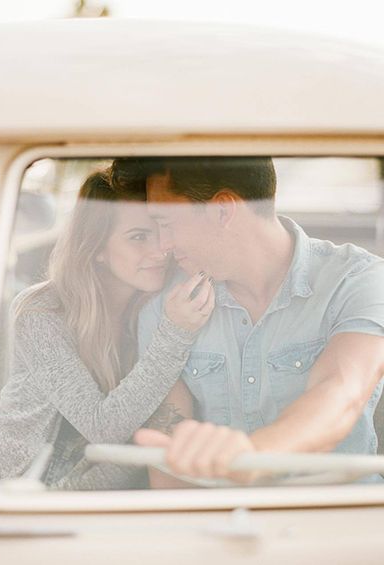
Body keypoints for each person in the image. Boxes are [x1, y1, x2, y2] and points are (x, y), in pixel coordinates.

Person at [110, 157, 384, 482]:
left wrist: (250, 457)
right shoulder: (167, 310)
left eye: (167, 224)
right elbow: (168, 456)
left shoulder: (360, 280)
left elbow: (340, 393)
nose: (163, 245)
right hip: (219, 525)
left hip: (336, 521)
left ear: (223, 210)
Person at [0, 168, 215, 490]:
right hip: (1, 487)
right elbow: (103, 427)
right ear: (97, 248)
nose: (161, 250)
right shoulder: (41, 311)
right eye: (138, 237)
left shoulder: (164, 306)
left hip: (91, 496)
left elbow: (147, 436)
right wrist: (175, 334)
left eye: (162, 232)